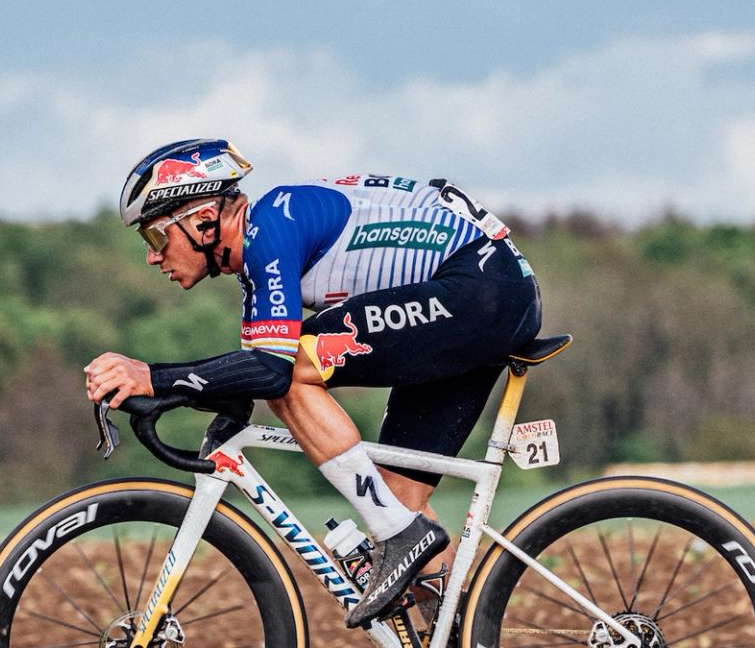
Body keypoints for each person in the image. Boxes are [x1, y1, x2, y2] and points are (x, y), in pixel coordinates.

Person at [82, 140, 541, 628]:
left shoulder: (272, 229)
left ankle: (397, 535)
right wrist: (174, 395)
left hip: (479, 290)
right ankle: (455, 632)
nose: (154, 259)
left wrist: (152, 377)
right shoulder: (264, 255)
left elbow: (272, 371)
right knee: (402, 504)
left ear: (201, 222)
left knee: (292, 370)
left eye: (155, 239)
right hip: (483, 294)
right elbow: (248, 373)